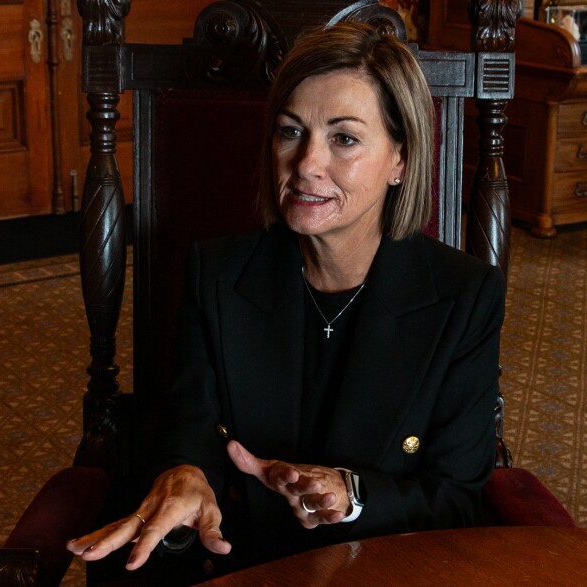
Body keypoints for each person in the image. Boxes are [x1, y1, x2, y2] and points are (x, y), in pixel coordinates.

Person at [68, 20, 505, 581]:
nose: (305, 165)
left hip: (376, 569)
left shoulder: (465, 296)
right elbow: (190, 422)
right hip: (236, 565)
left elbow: (455, 500)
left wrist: (352, 495)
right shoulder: (218, 273)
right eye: (290, 131)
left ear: (400, 159)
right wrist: (185, 473)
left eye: (344, 138)